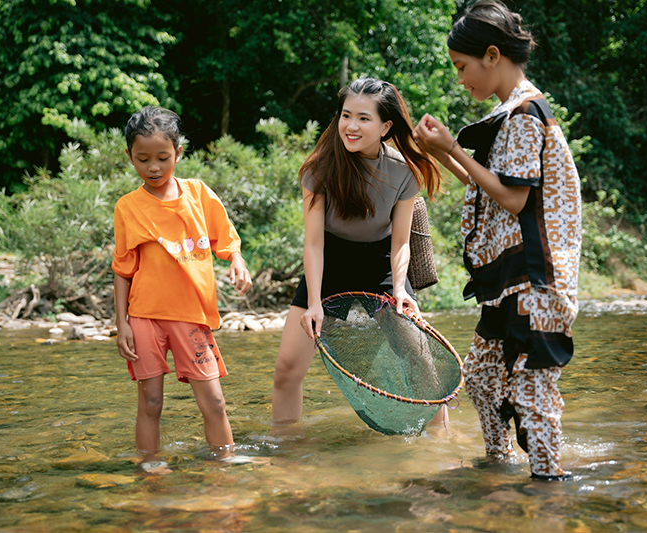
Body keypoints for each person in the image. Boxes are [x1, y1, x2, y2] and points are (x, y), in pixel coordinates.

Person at [412, 0, 581, 480]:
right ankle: (496, 469)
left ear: (491, 55)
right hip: (508, 279)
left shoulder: (526, 113)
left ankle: (548, 486)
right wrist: (444, 155)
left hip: (535, 277)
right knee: (484, 379)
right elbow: (489, 186)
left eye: (462, 67)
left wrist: (451, 148)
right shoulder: (509, 113)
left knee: (532, 388)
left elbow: (512, 199)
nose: (460, 78)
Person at [272, 77, 443, 424]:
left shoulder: (403, 171)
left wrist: (398, 290)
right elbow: (314, 243)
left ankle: (441, 448)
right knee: (287, 369)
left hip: (380, 262)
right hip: (329, 261)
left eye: (364, 118)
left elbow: (400, 243)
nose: (351, 126)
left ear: (386, 126)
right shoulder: (319, 168)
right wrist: (315, 303)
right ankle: (288, 453)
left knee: (422, 362)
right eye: (346, 115)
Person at [112, 105, 252, 471]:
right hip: (144, 316)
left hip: (191, 317)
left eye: (163, 157)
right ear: (130, 156)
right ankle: (149, 465)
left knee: (214, 401)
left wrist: (237, 260)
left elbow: (227, 239)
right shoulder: (128, 207)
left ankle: (224, 464)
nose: (153, 167)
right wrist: (121, 323)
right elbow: (123, 269)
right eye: (142, 159)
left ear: (179, 153)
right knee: (151, 401)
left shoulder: (199, 195)